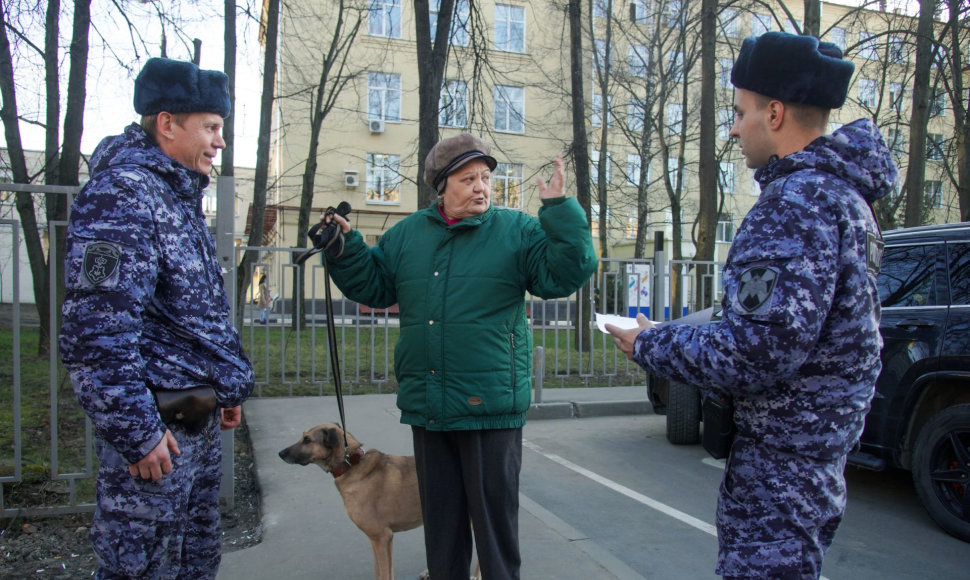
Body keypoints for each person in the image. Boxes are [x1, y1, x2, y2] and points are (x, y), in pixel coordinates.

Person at [607, 32, 897, 579]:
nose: (735, 128)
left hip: (781, 468)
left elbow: (755, 350)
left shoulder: (796, 203)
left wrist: (650, 343)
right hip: (814, 460)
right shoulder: (845, 198)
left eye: (741, 112)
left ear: (777, 112)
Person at [321, 133, 597, 579]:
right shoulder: (409, 234)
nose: (481, 187)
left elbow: (564, 274)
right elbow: (374, 285)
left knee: (494, 530)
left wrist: (559, 209)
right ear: (442, 186)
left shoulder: (518, 230)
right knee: (442, 530)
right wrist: (344, 248)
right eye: (468, 178)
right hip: (430, 407)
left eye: (486, 177)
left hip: (490, 407)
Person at [59, 57, 255, 579]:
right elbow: (95, 332)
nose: (220, 142)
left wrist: (223, 389)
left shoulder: (176, 197)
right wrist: (136, 432)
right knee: (142, 570)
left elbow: (187, 315)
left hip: (197, 423)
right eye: (211, 127)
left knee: (193, 563)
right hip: (157, 438)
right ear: (166, 123)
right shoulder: (123, 194)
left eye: (221, 128)